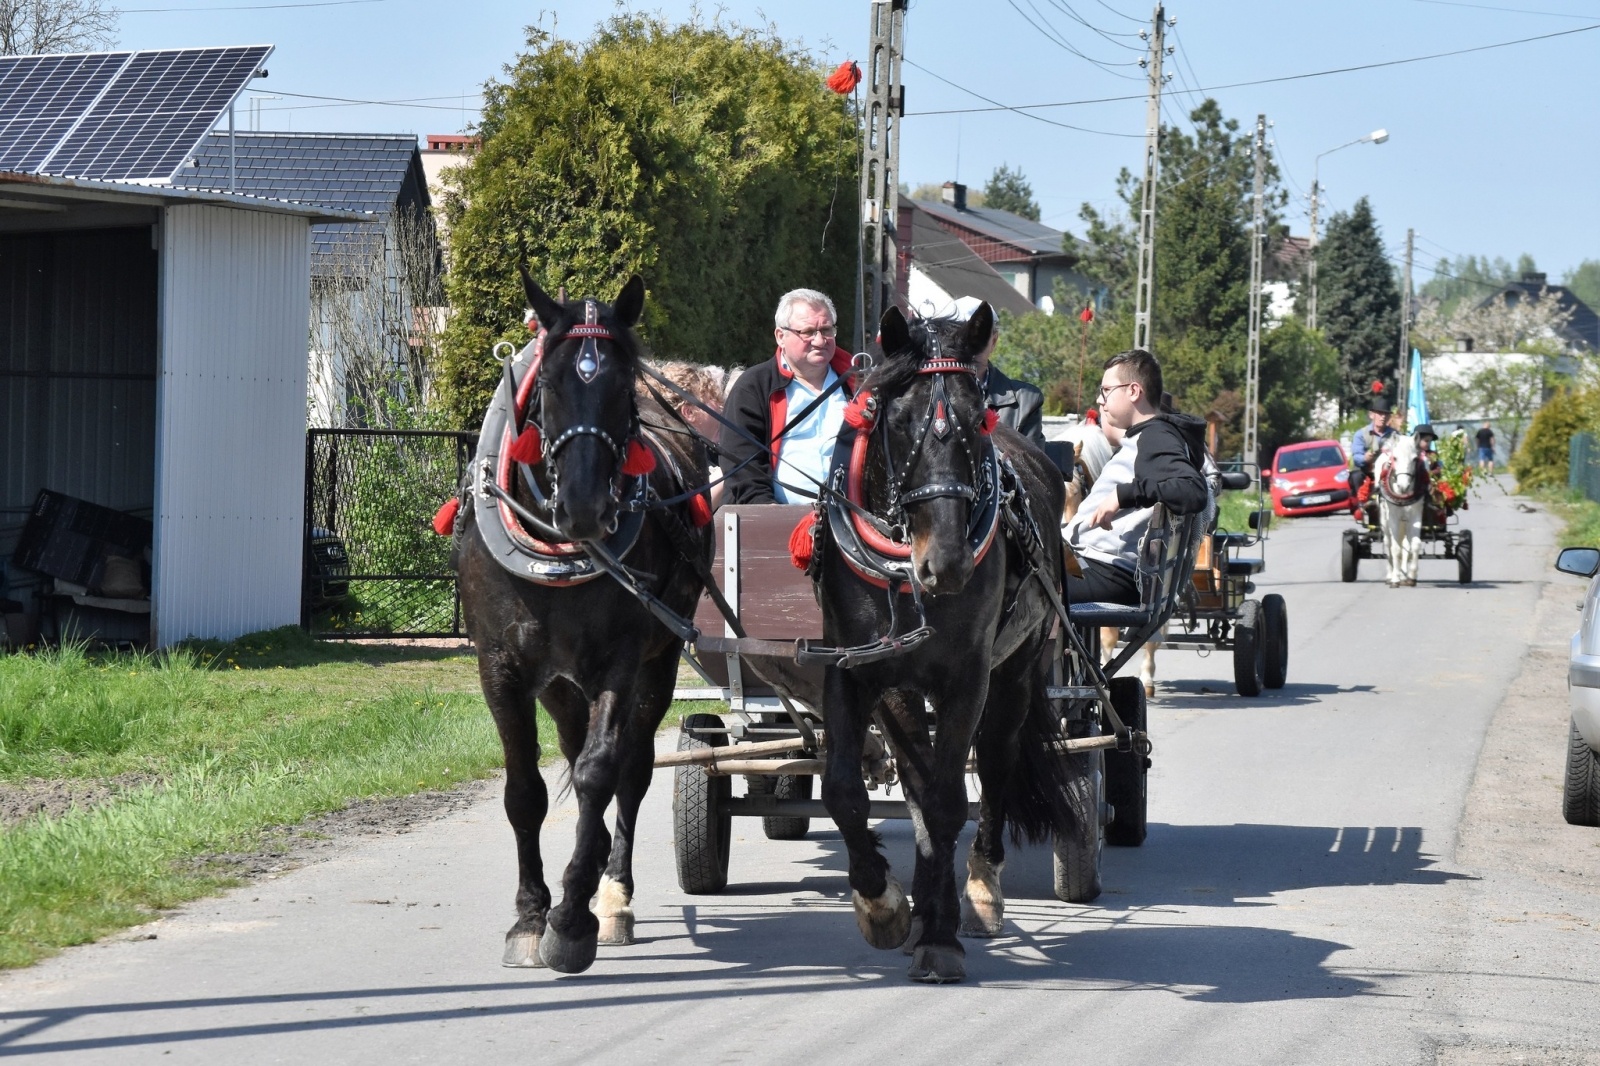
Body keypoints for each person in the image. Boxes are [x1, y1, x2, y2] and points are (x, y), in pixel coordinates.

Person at [1062, 349, 1209, 606]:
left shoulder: (1155, 436)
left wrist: (1123, 494)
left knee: (1008, 591)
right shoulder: (1149, 435)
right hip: (1097, 566)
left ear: (1133, 391)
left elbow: (1193, 490)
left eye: (1106, 390)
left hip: (1108, 572)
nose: (1100, 399)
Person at [720, 288, 854, 505]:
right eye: (808, 332)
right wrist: (771, 516)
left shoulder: (858, 385)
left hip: (852, 525)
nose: (820, 340)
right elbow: (741, 465)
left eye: (827, 330)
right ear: (780, 336)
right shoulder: (753, 387)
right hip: (775, 523)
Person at [646, 361, 730, 509]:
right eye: (713, 399)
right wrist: (729, 469)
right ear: (689, 412)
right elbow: (694, 511)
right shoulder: (669, 459)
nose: (721, 408)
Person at [971, 315, 1046, 447]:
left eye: (978, 336)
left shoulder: (1026, 401)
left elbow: (1031, 464)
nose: (969, 345)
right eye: (959, 338)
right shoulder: (929, 396)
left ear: (993, 341)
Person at [1348, 394, 1395, 521]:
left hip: (1389, 471)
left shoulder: (1395, 435)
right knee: (1355, 475)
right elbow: (1356, 456)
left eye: (1385, 414)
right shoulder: (1361, 434)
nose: (1383, 417)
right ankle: (1362, 505)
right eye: (1380, 413)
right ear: (1372, 415)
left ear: (1389, 417)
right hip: (1368, 471)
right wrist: (1365, 458)